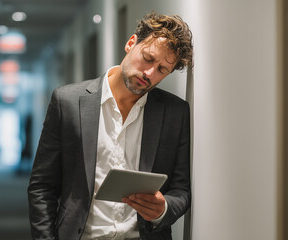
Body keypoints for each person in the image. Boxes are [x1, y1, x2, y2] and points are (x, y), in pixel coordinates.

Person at [28, 12, 193, 240]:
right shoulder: (67, 101)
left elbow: (181, 190)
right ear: (131, 43)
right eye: (148, 58)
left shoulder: (175, 112)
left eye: (162, 70)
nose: (149, 73)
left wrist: (162, 209)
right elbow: (42, 186)